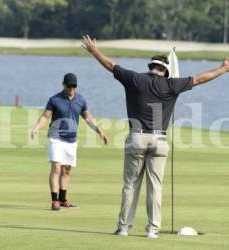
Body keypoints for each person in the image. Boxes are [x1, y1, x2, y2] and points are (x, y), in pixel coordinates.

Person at [82, 35, 229, 238]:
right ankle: (153, 230)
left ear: (151, 66)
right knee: (155, 187)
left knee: (130, 185)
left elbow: (111, 65)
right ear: (165, 71)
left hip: (136, 137)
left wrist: (94, 51)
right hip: (159, 141)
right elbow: (200, 78)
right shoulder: (171, 85)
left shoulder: (134, 78)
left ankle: (124, 228)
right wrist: (223, 69)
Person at [31, 73, 108, 211]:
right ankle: (54, 201)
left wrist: (99, 130)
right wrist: (36, 128)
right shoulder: (54, 99)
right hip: (56, 137)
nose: (72, 88)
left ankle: (62, 199)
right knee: (56, 168)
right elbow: (45, 116)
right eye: (69, 86)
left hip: (71, 140)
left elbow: (88, 118)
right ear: (63, 85)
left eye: (74, 86)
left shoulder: (80, 100)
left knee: (66, 170)